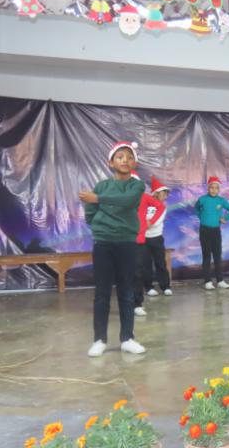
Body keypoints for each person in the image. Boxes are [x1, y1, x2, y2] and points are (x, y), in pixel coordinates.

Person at [80, 141, 146, 357]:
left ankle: (127, 339)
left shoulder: (136, 186)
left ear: (134, 163)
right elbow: (90, 211)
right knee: (102, 293)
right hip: (103, 244)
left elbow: (127, 201)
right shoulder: (101, 186)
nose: (125, 160)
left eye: (130, 157)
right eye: (120, 157)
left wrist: (98, 199)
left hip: (127, 243)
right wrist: (100, 226)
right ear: (111, 163)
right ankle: (99, 340)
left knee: (127, 291)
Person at [195, 176, 229, 290]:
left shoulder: (221, 200)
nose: (213, 190)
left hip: (215, 231)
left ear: (219, 189)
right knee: (206, 256)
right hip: (204, 230)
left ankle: (220, 280)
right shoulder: (202, 199)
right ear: (208, 188)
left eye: (216, 188)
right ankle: (207, 281)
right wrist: (202, 218)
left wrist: (225, 218)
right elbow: (196, 209)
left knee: (217, 256)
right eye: (211, 187)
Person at [132, 171, 166, 316]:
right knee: (124, 272)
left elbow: (161, 207)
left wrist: (149, 222)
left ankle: (137, 303)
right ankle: (126, 302)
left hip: (140, 240)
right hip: (123, 240)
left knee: (137, 272)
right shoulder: (120, 197)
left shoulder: (144, 197)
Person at [143, 176, 173, 297]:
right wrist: (146, 223)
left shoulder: (162, 207)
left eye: (166, 194)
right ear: (155, 193)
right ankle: (149, 287)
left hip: (157, 238)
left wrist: (148, 223)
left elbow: (155, 222)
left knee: (160, 263)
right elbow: (142, 218)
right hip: (144, 239)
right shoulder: (145, 204)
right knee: (146, 264)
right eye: (163, 193)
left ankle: (165, 286)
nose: (165, 196)